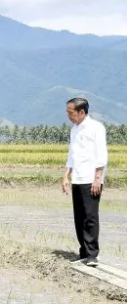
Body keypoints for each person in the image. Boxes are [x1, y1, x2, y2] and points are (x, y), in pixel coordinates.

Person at [62, 97, 108, 267]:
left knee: (90, 217)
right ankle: (83, 252)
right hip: (78, 179)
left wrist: (98, 179)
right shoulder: (74, 130)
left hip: (91, 179)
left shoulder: (96, 128)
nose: (68, 115)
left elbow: (102, 155)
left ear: (81, 112)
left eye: (70, 112)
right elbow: (71, 156)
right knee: (79, 216)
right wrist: (66, 176)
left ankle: (92, 255)